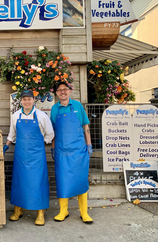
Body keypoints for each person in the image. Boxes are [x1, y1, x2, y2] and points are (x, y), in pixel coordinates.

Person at [3, 90, 54, 226]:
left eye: (29, 99)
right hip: (20, 155)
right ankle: (17, 210)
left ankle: (40, 213)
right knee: (19, 182)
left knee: (38, 183)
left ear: (33, 100)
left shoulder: (41, 116)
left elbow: (50, 134)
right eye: (24, 99)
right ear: (21, 101)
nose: (27, 102)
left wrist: (38, 145)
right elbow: (11, 134)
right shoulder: (15, 116)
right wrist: (6, 146)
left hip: (37, 156)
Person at [50, 82, 93, 224]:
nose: (63, 92)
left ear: (69, 91)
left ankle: (84, 212)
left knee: (81, 180)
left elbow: (85, 126)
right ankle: (63, 211)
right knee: (62, 181)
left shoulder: (78, 106)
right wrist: (53, 148)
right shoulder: (54, 109)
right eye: (60, 90)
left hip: (79, 150)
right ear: (56, 93)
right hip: (62, 151)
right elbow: (53, 132)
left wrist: (89, 145)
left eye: (65, 89)